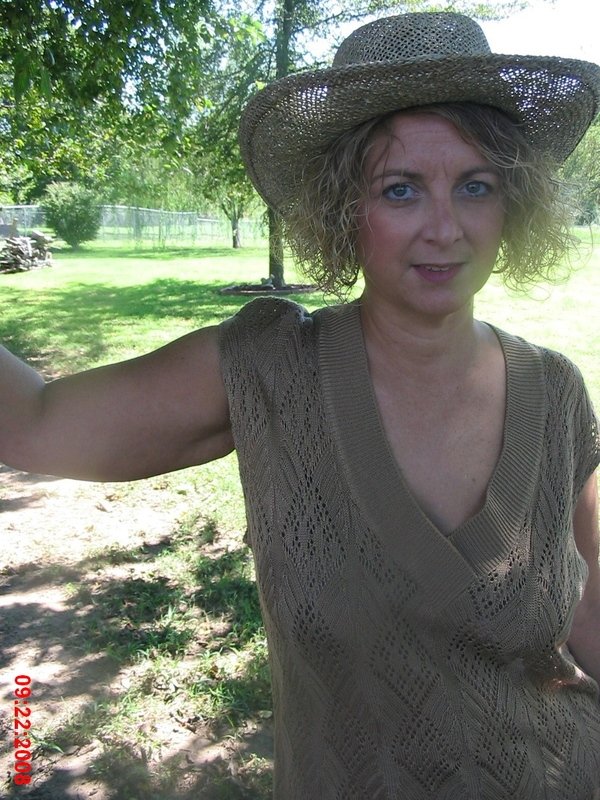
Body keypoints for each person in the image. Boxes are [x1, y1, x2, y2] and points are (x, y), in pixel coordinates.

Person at [1, 11, 600, 799]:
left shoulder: (555, 392)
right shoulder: (269, 372)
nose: (445, 228)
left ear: (511, 203)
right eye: (400, 189)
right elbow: (32, 425)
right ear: (343, 208)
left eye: (476, 186)